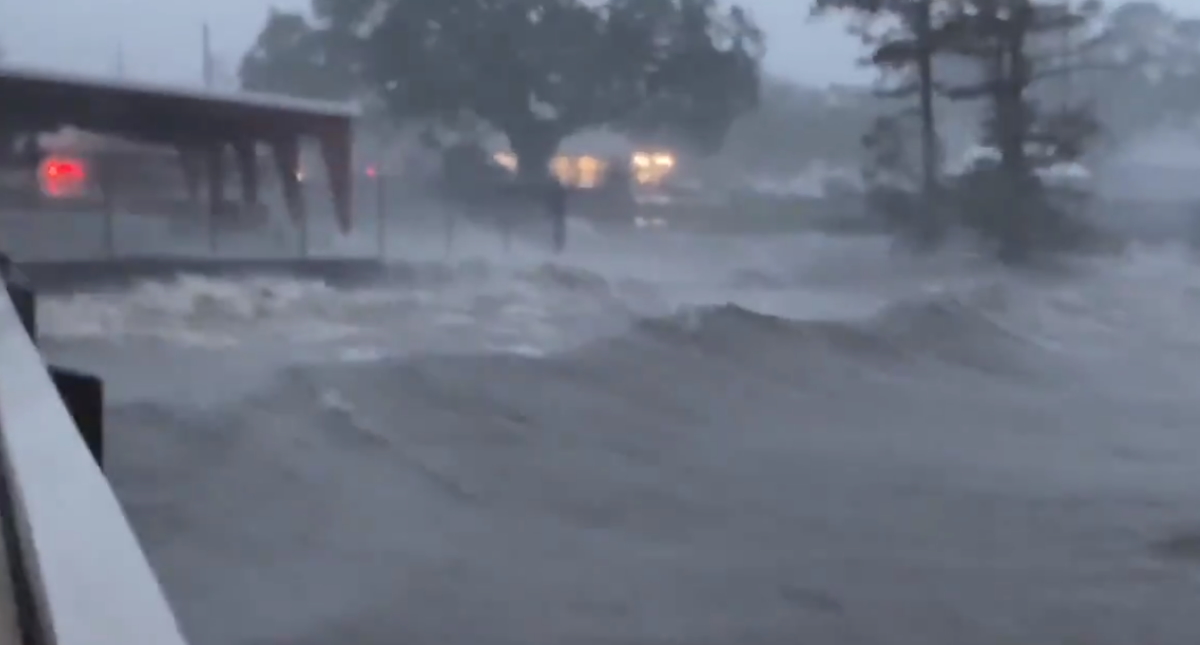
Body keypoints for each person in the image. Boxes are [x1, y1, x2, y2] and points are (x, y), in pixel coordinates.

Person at [545, 178, 568, 252]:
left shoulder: (552, 191)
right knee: (558, 229)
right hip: (559, 212)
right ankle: (559, 245)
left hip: (556, 212)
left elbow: (550, 201)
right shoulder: (560, 191)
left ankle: (557, 245)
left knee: (556, 229)